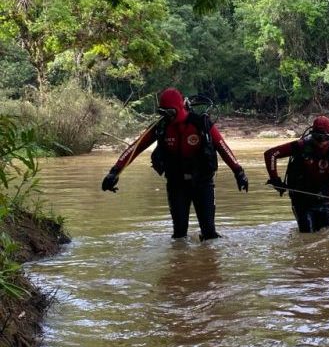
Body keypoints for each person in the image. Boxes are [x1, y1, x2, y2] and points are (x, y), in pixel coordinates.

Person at [100, 87, 248, 240]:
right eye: (163, 113)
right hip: (176, 184)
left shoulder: (200, 124)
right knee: (179, 235)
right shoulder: (161, 127)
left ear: (179, 108)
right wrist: (115, 171)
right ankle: (179, 262)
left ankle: (208, 260)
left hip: (203, 183)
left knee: (210, 234)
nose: (167, 117)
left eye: (170, 112)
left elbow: (223, 148)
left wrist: (239, 172)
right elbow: (134, 148)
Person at [264, 116, 329, 232]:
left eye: (324, 138)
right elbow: (271, 154)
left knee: (325, 236)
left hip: (324, 199)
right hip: (301, 200)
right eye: (317, 138)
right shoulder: (300, 146)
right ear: (312, 135)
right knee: (307, 234)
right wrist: (275, 180)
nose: (320, 143)